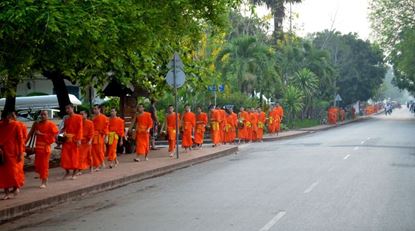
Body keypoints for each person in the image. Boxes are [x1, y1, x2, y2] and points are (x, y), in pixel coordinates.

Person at [28, 110, 58, 188]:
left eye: (44, 114)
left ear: (47, 115)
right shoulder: (37, 124)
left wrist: (41, 134)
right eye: (41, 114)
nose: (42, 116)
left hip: (45, 149)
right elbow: (30, 133)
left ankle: (44, 181)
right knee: (38, 165)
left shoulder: (51, 125)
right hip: (38, 148)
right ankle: (43, 177)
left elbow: (53, 137)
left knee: (44, 166)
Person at [0, 111, 25, 200]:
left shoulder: (16, 125)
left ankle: (16, 186)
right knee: (2, 173)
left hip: (13, 152)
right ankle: (6, 192)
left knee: (13, 171)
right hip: (2, 152)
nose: (6, 119)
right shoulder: (1, 125)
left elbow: (20, 139)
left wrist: (20, 153)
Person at [61, 104, 83, 180]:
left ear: (72, 108)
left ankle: (74, 173)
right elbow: (64, 129)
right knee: (65, 157)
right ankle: (67, 172)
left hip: (74, 140)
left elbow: (80, 129)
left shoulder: (79, 117)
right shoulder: (66, 119)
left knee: (74, 157)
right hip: (67, 140)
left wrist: (79, 140)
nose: (67, 110)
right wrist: (61, 135)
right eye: (66, 109)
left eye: (68, 108)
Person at [91, 105, 109, 171]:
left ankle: (102, 163)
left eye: (95, 109)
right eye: (94, 109)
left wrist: (106, 136)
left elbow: (106, 128)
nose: (94, 110)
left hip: (100, 136)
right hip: (93, 136)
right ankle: (97, 165)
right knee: (94, 151)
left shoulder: (104, 117)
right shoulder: (93, 118)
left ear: (99, 109)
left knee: (99, 151)